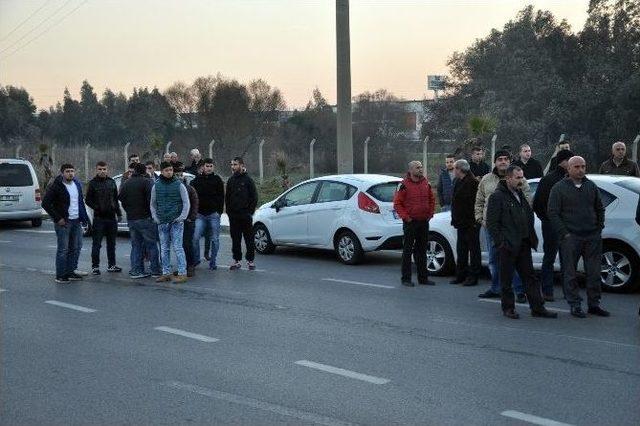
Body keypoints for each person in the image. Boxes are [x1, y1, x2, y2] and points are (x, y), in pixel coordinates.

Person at [486, 165, 557, 319]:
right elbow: (492, 223)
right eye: (518, 178)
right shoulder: (497, 196)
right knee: (506, 279)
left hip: (523, 243)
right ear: (508, 178)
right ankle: (508, 308)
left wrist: (530, 237)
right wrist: (501, 242)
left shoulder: (520, 194)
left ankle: (537, 307)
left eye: (522, 177)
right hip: (508, 245)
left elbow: (527, 216)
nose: (521, 180)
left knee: (530, 277)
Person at [548, 156, 610, 318]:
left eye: (583, 166)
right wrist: (564, 233)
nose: (581, 169)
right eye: (576, 167)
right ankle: (574, 304)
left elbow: (600, 208)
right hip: (571, 237)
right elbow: (553, 213)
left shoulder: (591, 186)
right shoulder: (559, 188)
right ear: (568, 169)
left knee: (594, 272)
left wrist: (599, 228)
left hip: (592, 236)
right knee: (570, 273)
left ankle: (594, 304)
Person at [475, 150, 531, 301]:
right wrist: (481, 219)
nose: (503, 162)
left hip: (512, 229)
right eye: (500, 159)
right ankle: (496, 288)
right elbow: (479, 201)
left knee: (514, 260)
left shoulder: (520, 179)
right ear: (495, 162)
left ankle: (519, 290)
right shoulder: (486, 180)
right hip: (491, 228)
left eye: (506, 159)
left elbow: (527, 202)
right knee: (493, 260)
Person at [532, 149, 574, 301]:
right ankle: (547, 291)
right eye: (570, 160)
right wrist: (548, 220)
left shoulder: (574, 179)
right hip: (551, 226)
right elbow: (538, 204)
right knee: (549, 258)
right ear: (563, 161)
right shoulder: (549, 180)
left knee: (567, 259)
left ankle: (568, 291)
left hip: (568, 226)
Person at [42, 164, 90, 283]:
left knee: (76, 247)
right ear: (62, 173)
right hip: (64, 222)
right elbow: (46, 204)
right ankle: (60, 275)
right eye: (67, 171)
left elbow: (80, 203)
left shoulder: (77, 184)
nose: (70, 173)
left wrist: (83, 218)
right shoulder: (56, 186)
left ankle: (70, 271)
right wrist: (58, 218)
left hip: (76, 220)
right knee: (63, 249)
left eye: (72, 171)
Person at [393, 160, 436, 287]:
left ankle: (423, 278)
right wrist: (407, 218)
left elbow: (432, 199)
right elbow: (397, 203)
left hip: (423, 222)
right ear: (411, 170)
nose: (420, 169)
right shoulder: (403, 185)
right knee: (407, 251)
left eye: (421, 167)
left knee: (422, 251)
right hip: (410, 223)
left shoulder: (426, 183)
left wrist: (430, 214)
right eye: (418, 168)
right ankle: (406, 279)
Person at [150, 162, 191, 283]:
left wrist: (182, 217)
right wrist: (155, 217)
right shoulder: (156, 186)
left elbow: (186, 203)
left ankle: (182, 273)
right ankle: (166, 272)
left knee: (178, 247)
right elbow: (152, 204)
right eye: (167, 170)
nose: (169, 172)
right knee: (164, 248)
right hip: (162, 221)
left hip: (176, 221)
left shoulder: (179, 185)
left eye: (171, 170)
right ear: (162, 171)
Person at [119, 163, 161, 279]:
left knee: (136, 245)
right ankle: (155, 270)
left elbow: (121, 198)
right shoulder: (147, 182)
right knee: (151, 245)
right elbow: (152, 200)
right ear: (144, 171)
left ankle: (136, 270)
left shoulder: (127, 183)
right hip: (146, 218)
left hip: (132, 218)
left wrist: (129, 210)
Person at [85, 161, 123, 275]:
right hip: (99, 218)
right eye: (100, 169)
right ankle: (95, 267)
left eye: (104, 169)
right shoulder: (92, 183)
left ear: (107, 170)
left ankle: (112, 265)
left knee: (112, 243)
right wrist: (97, 207)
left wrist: (119, 213)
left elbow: (115, 199)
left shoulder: (111, 182)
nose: (102, 171)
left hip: (111, 218)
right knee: (97, 244)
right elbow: (88, 200)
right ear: (96, 170)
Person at [450, 159, 480, 286]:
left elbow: (474, 203)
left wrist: (474, 220)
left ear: (460, 169)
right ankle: (460, 275)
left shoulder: (473, 182)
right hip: (460, 222)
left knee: (473, 250)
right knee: (461, 249)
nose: (453, 171)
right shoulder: (457, 181)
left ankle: (473, 276)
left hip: (471, 223)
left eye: (454, 168)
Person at [225, 157, 258, 270]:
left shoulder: (248, 180)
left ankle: (250, 261)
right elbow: (227, 198)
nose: (233, 167)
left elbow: (254, 197)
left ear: (241, 165)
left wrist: (250, 212)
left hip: (246, 215)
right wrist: (229, 213)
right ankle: (237, 260)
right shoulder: (230, 180)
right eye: (232, 164)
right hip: (234, 216)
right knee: (235, 239)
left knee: (249, 239)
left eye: (235, 164)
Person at [192, 158, 225, 270]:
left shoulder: (217, 180)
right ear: (203, 167)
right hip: (200, 215)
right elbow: (192, 196)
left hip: (213, 214)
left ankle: (213, 261)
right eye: (207, 166)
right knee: (195, 238)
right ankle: (196, 259)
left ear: (213, 167)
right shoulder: (196, 181)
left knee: (215, 239)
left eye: (211, 166)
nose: (209, 168)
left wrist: (219, 212)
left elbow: (221, 197)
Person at [174, 164, 199, 277]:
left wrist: (190, 218)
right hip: (176, 221)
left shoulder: (189, 189)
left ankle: (190, 266)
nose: (179, 177)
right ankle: (182, 266)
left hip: (188, 221)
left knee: (187, 244)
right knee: (178, 245)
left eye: (180, 175)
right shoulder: (172, 188)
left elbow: (194, 204)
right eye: (176, 175)